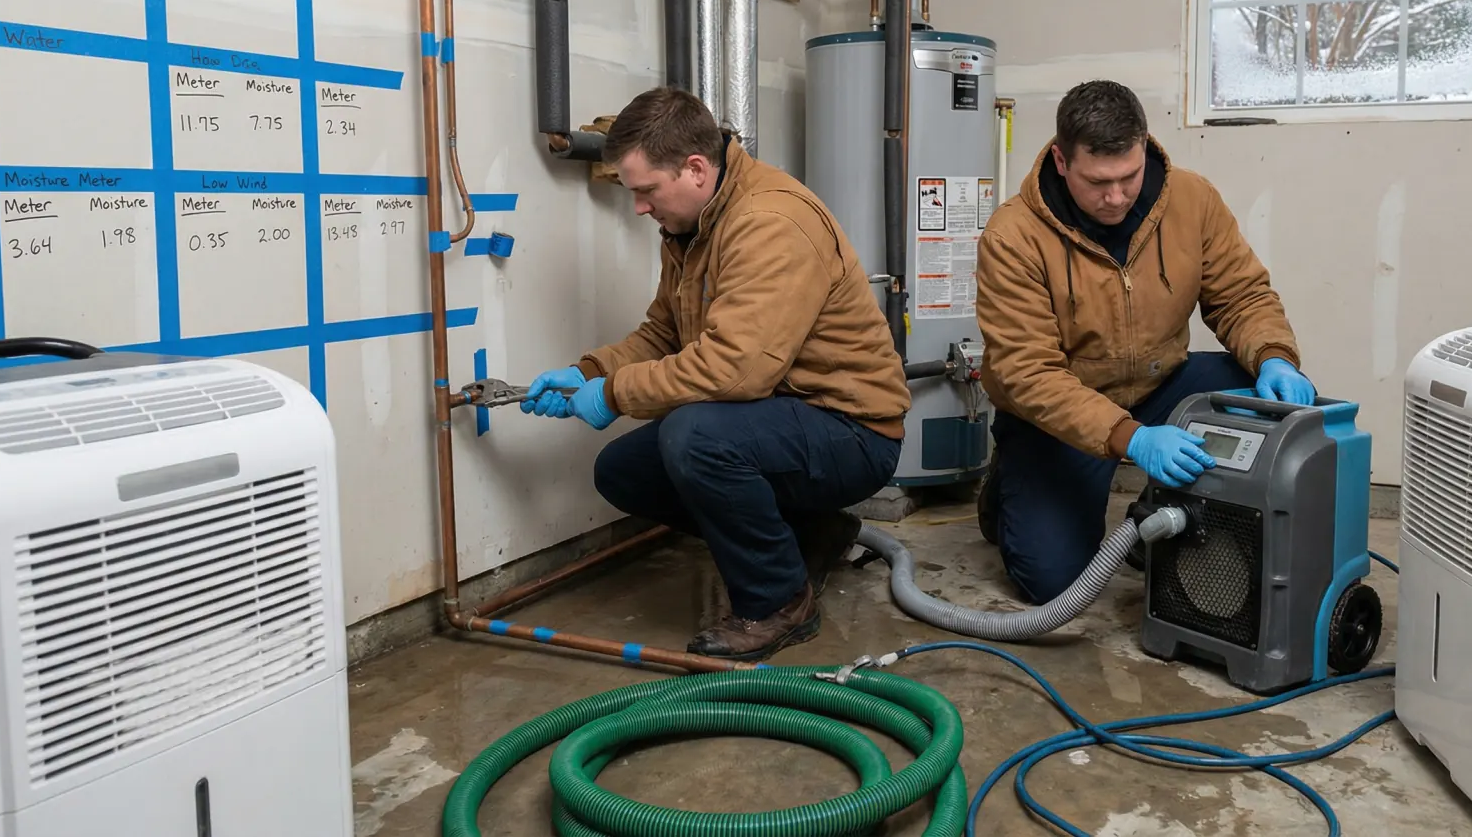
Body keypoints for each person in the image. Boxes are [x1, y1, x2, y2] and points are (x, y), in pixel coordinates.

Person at [521, 86, 911, 661]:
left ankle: (779, 603)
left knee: (695, 437)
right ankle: (811, 537)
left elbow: (736, 371)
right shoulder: (691, 227)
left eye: (647, 190)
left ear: (696, 168)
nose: (640, 208)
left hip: (852, 430)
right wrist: (589, 372)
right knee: (623, 471)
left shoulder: (770, 224)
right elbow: (663, 334)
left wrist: (615, 393)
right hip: (782, 416)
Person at [974, 80, 1314, 604]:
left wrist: (1275, 357)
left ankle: (1175, 512)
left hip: (1162, 383)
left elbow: (1241, 295)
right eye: (1097, 183)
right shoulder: (1012, 237)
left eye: (1128, 177)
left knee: (1265, 396)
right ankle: (1009, 485)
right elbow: (1029, 373)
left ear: (1144, 146)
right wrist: (1127, 437)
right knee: (1053, 582)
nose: (1115, 197)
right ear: (1062, 162)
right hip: (1062, 411)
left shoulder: (1193, 199)